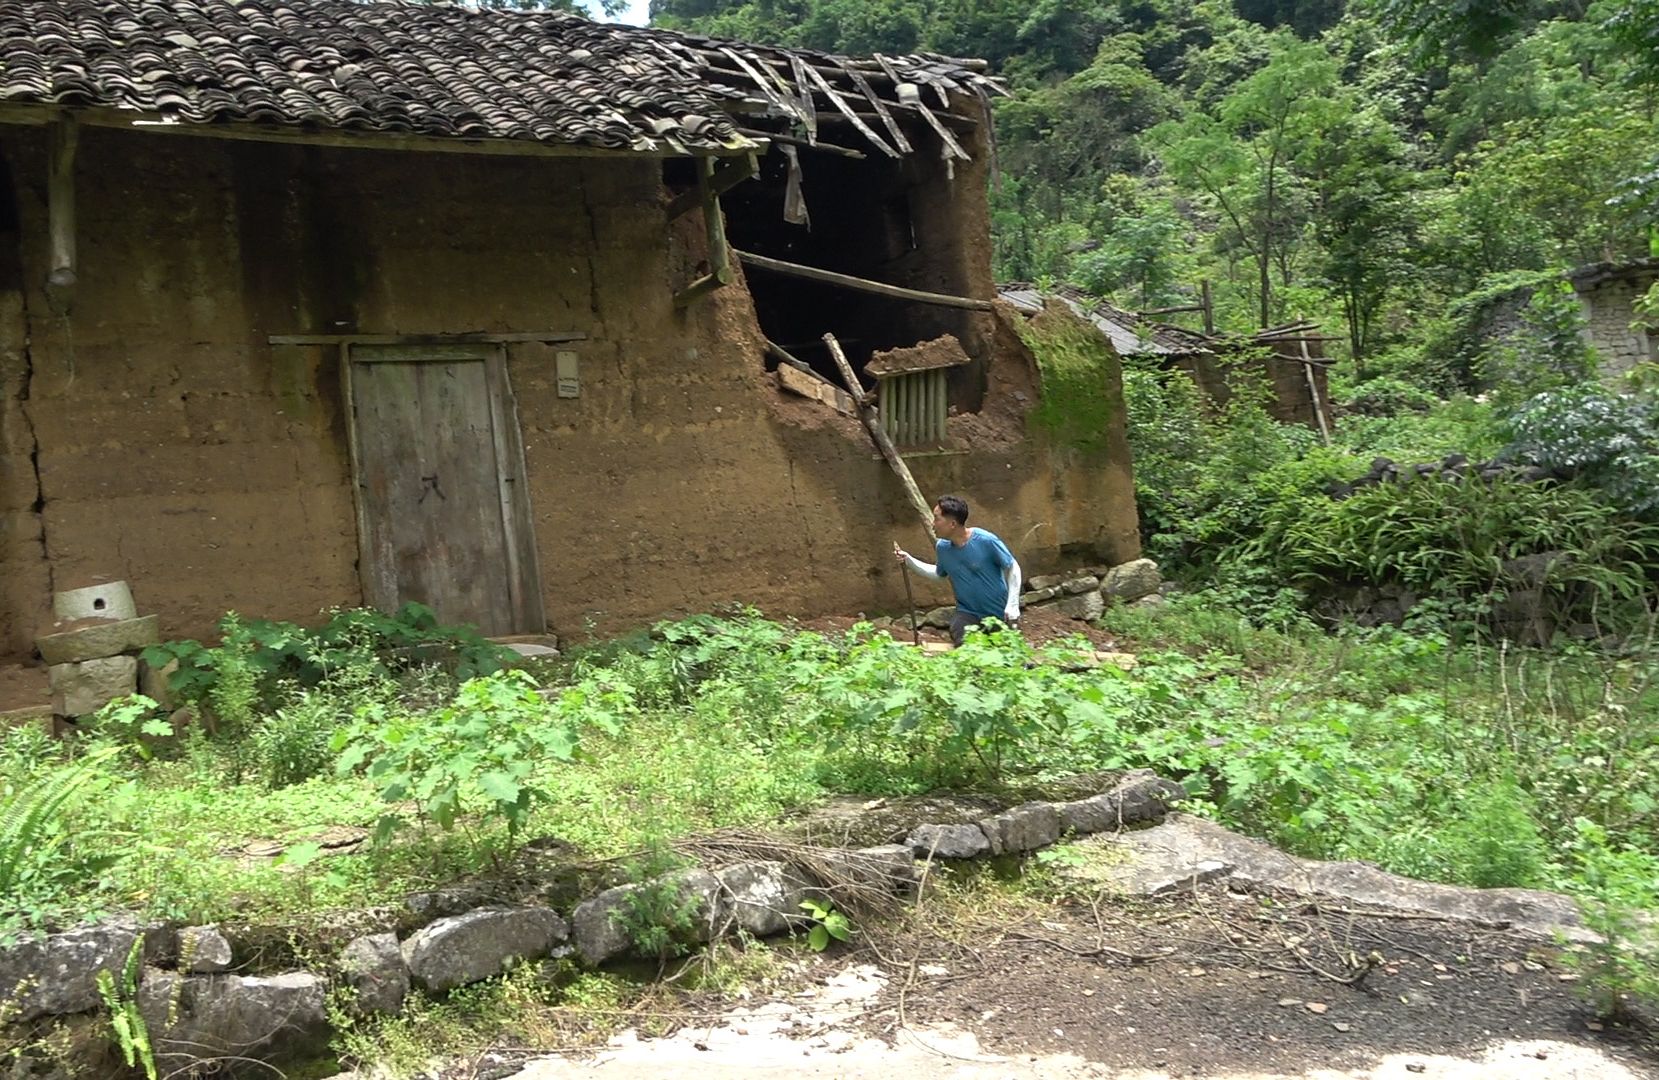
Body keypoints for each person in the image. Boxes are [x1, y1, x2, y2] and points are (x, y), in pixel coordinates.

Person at [893, 495, 1022, 646]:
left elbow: (1013, 567)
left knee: (1007, 656)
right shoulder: (942, 547)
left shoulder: (986, 541)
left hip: (998, 614)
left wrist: (1012, 604)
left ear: (952, 524)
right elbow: (939, 574)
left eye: (936, 519)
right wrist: (909, 561)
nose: (932, 523)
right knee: (963, 640)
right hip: (968, 614)